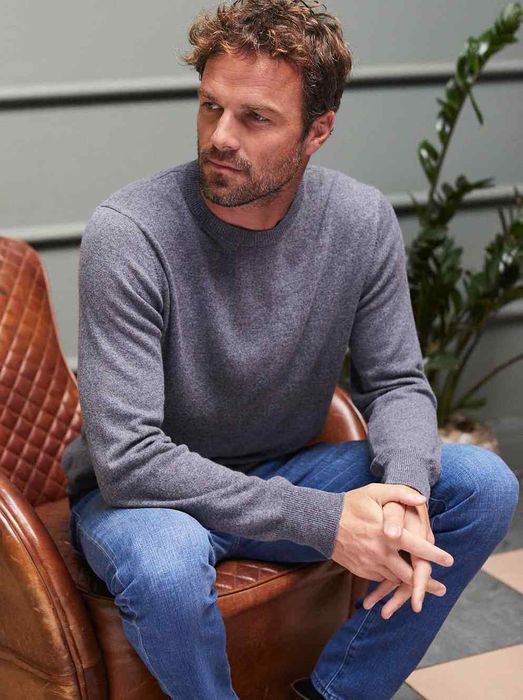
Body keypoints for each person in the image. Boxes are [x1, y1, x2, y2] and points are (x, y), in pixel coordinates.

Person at [61, 1, 519, 698]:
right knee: (166, 563)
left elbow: (396, 382)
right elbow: (127, 461)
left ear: (317, 130)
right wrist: (325, 520)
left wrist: (405, 491)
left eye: (255, 117)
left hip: (287, 467)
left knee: (481, 484)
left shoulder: (359, 221)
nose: (219, 136)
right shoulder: (129, 233)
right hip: (148, 498)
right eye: (210, 106)